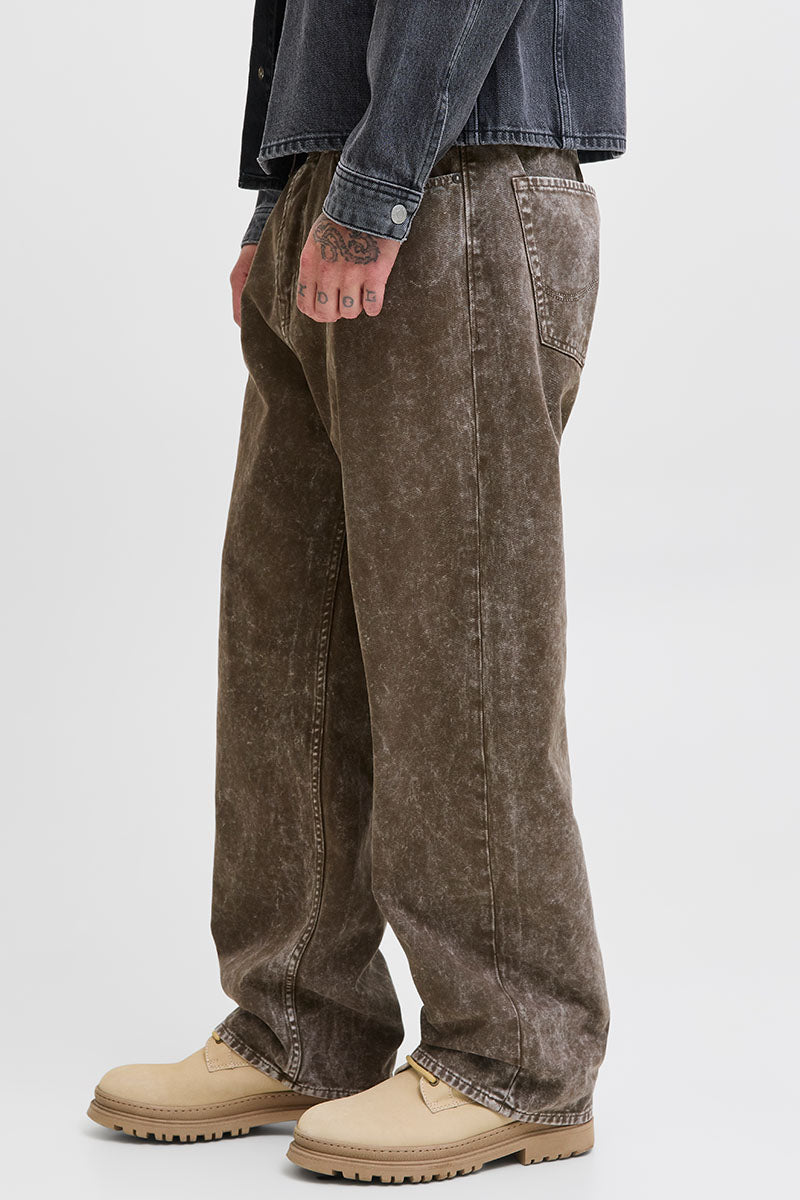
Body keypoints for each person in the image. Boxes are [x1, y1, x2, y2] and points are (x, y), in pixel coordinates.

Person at [87, 0, 626, 1184]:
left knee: (457, 635)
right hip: (340, 175)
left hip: (456, 171)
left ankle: (515, 1056)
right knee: (286, 637)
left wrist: (376, 187)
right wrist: (280, 198)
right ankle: (300, 1024)